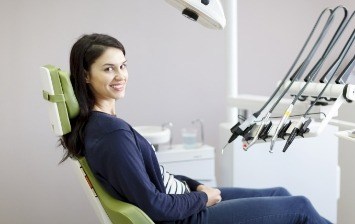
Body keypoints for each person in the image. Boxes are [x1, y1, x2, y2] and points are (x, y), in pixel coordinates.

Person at [60, 33, 332, 224]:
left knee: (281, 194)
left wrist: (196, 186)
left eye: (123, 65)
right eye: (108, 69)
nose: (120, 75)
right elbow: (154, 205)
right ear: (85, 75)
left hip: (185, 199)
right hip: (184, 217)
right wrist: (201, 199)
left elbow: (157, 177)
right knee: (300, 206)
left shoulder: (104, 126)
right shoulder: (111, 136)